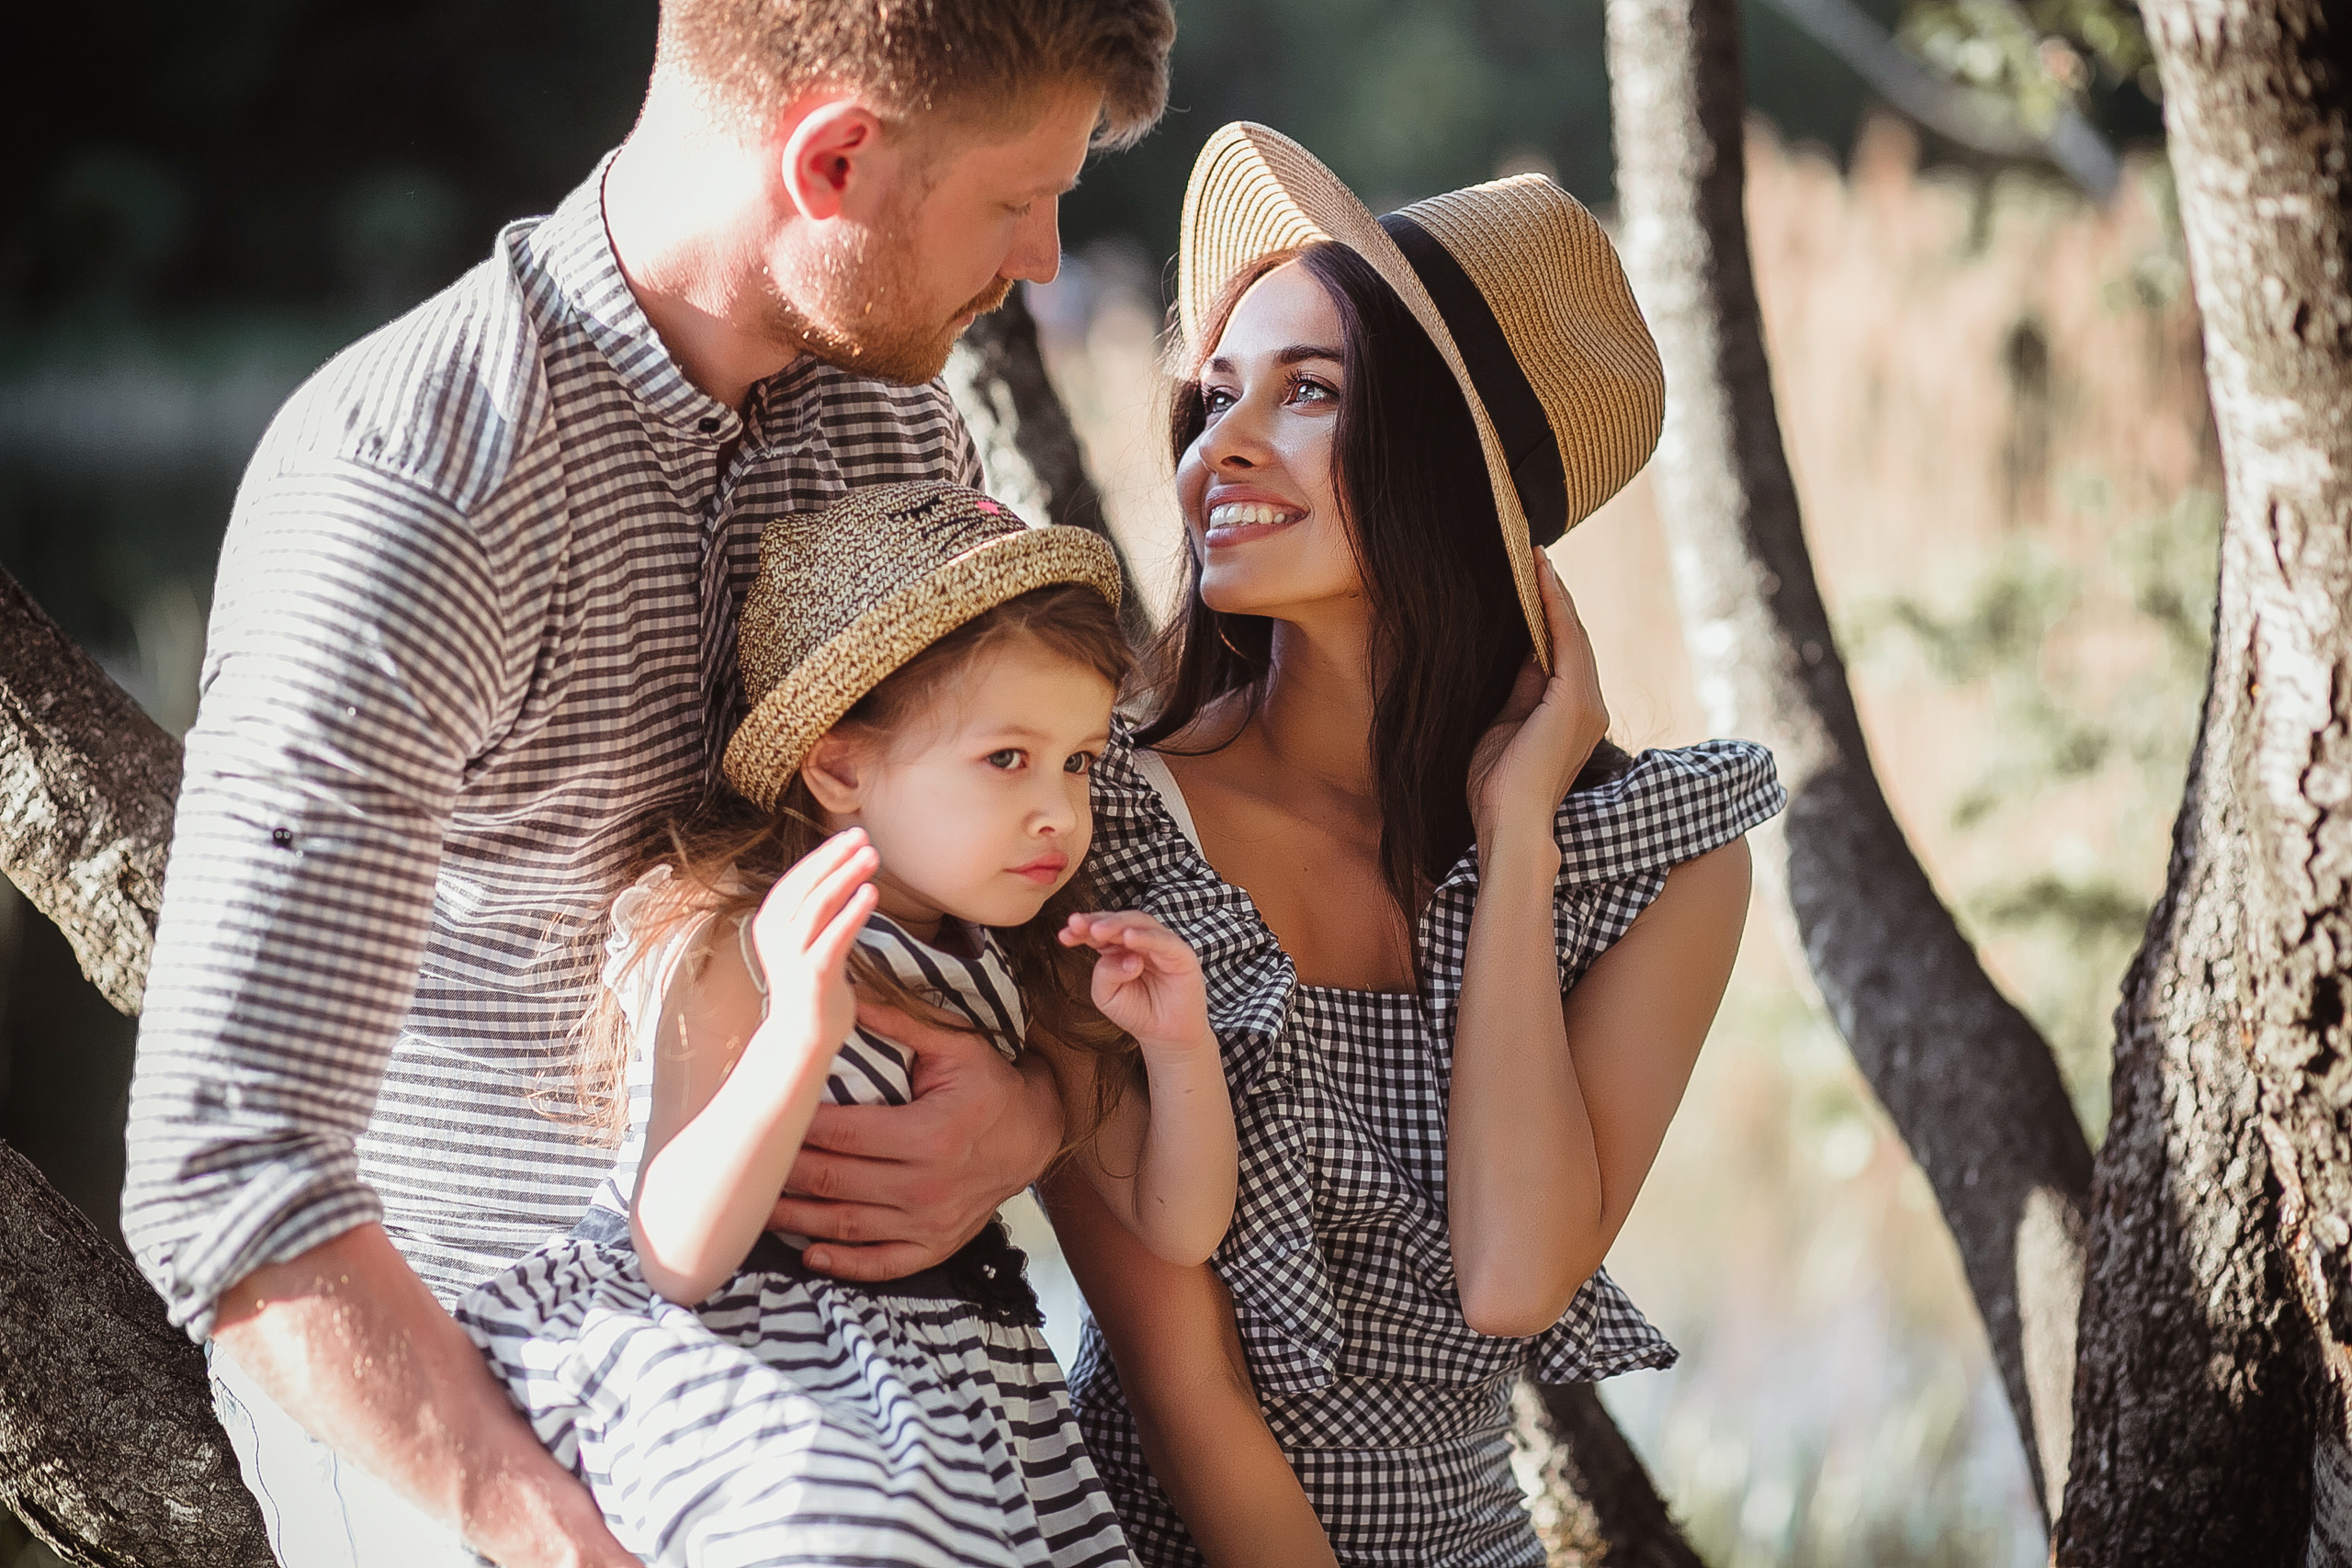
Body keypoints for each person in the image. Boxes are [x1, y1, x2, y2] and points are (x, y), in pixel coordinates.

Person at [119, 6, 1175, 1564]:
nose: (1041, 257)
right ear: (831, 162)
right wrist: (543, 1529)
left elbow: (1122, 877)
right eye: (1018, 199)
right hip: (500, 1394)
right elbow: (228, 1166)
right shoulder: (422, 486)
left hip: (873, 1382)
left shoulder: (892, 427)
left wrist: (1039, 1102)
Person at [1045, 124, 1788, 1565]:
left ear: (1453, 474)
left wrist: (1515, 849)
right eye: (1215, 396)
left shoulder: (1660, 864)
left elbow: (1514, 1274)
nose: (1220, 449)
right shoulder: (1100, 819)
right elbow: (1185, 1390)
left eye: (1309, 392)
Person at [455, 482, 1236, 1567]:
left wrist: (1179, 1043)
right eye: (1006, 758)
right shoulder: (739, 933)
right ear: (836, 765)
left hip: (963, 1413)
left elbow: (1180, 1227)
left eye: (1078, 761)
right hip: (760, 1379)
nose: (1058, 809)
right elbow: (675, 1252)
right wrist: (794, 1044)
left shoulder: (1025, 967)